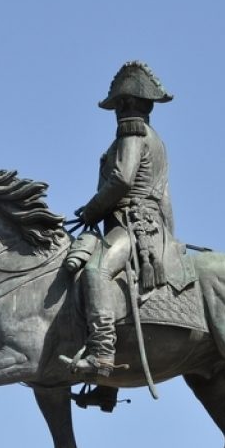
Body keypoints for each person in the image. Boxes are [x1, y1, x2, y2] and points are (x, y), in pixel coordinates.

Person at [72, 61, 178, 378]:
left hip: (134, 224)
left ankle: (103, 354)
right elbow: (166, 198)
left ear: (129, 103)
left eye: (118, 104)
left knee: (95, 271)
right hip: (152, 225)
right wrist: (169, 236)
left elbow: (121, 180)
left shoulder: (132, 131)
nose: (117, 111)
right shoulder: (156, 138)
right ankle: (108, 385)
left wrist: (91, 209)